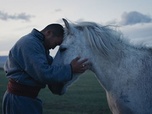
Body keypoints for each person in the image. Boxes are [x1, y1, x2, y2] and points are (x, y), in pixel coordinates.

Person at [2, 24, 88, 114]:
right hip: (19, 100)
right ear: (48, 33)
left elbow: (51, 65)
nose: (54, 47)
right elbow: (43, 73)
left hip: (26, 99)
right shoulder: (30, 43)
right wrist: (70, 69)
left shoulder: (39, 45)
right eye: (56, 43)